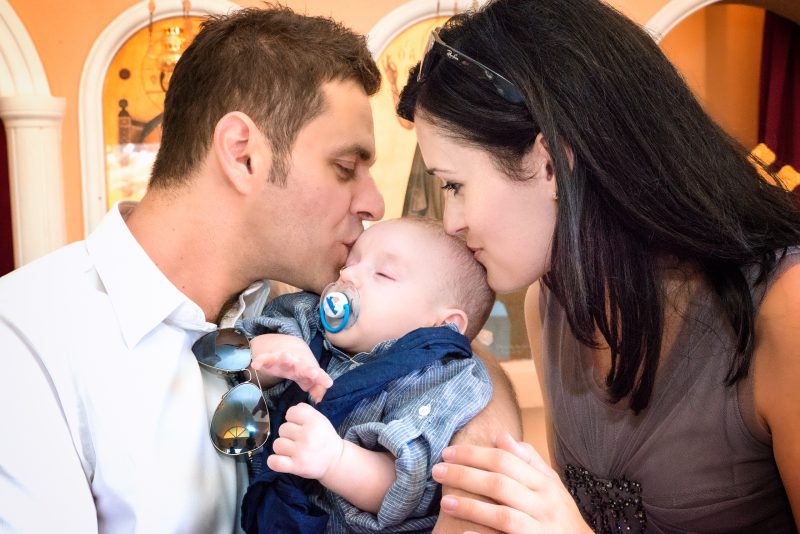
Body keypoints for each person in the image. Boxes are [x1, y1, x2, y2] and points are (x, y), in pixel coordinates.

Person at [0, 7, 520, 533]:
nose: (375, 202)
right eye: (345, 167)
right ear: (243, 155)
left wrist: (478, 453)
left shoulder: (289, 307)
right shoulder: (26, 343)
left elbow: (434, 341)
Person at [396, 0, 800, 532]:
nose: (450, 221)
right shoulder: (552, 305)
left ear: (551, 163)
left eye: (454, 185)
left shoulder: (785, 310)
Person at [223, 217, 495, 532]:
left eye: (383, 274)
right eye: (350, 263)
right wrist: (274, 354)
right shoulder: (307, 320)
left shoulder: (437, 380)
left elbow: (407, 483)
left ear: (442, 326)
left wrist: (336, 460)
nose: (349, 275)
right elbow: (241, 363)